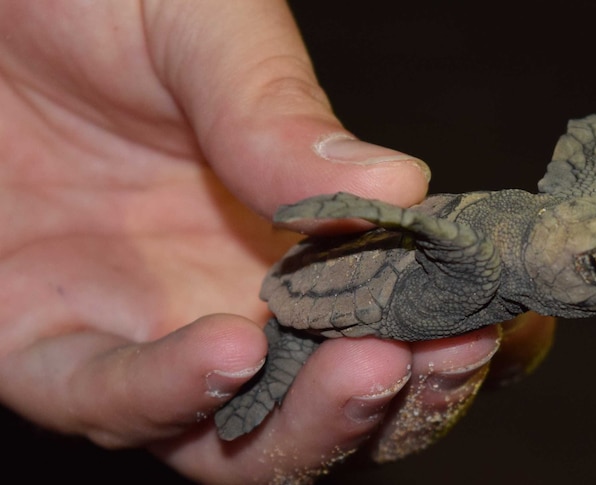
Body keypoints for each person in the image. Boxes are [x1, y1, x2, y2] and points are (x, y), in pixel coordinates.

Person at [0, 1, 555, 483]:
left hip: (338, 280)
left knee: (337, 375)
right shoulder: (486, 257)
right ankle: (274, 371)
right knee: (288, 363)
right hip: (327, 295)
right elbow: (428, 229)